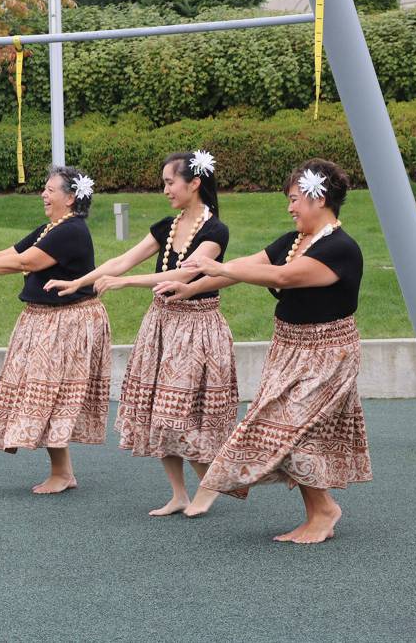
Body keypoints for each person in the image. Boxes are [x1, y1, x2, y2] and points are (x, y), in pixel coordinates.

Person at [155, 158, 372, 543]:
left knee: (293, 430)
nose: (290, 208)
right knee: (283, 433)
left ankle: (324, 511)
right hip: (287, 349)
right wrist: (193, 286)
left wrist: (218, 268)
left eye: (294, 199)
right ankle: (317, 512)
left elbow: (282, 276)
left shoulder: (340, 248)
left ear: (319, 198)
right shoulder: (293, 242)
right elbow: (251, 265)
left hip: (327, 354)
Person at [45, 150, 238, 516]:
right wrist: (78, 282)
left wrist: (126, 282)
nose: (165, 189)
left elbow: (188, 273)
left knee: (183, 412)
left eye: (170, 182)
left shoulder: (215, 230)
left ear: (194, 183)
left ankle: (210, 485)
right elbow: (122, 260)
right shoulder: (166, 226)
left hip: (197, 328)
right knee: (157, 411)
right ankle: (179, 494)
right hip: (161, 324)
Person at [0, 166, 111, 495]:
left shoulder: (71, 231)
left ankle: (62, 473)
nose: (43, 194)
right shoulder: (52, 228)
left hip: (68, 322)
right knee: (42, 392)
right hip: (45, 320)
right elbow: (13, 253)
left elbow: (26, 263)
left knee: (49, 394)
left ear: (70, 198)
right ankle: (62, 471)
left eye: (50, 190)